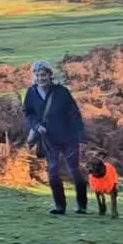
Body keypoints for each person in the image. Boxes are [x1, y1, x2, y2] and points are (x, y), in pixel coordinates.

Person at [23, 60, 88, 216]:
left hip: (69, 137)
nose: (40, 78)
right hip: (48, 139)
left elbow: (74, 113)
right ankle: (59, 206)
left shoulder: (62, 91)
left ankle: (82, 204)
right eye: (37, 75)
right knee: (52, 172)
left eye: (43, 75)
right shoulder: (31, 93)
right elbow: (28, 113)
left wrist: (81, 137)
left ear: (50, 75)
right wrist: (37, 124)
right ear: (34, 76)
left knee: (74, 170)